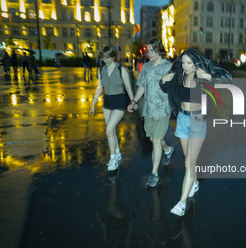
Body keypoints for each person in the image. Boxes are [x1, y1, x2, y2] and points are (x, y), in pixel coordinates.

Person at [160, 48, 232, 216]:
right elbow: (166, 90)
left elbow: (229, 80)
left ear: (196, 63)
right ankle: (195, 183)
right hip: (182, 120)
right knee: (188, 160)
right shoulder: (180, 76)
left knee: (189, 164)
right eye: (183, 63)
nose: (185, 66)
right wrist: (164, 79)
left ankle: (182, 203)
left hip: (197, 121)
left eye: (189, 63)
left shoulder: (203, 77)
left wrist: (208, 76)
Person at [127, 38, 174, 187]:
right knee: (158, 140)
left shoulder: (169, 67)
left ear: (159, 50)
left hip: (162, 109)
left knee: (155, 141)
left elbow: (177, 87)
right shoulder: (146, 67)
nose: (149, 53)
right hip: (148, 110)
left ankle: (154, 174)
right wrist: (134, 101)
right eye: (148, 51)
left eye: (152, 50)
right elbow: (141, 86)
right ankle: (168, 149)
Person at [89, 45, 135, 171]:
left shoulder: (121, 70)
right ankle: (117, 151)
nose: (106, 60)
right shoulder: (101, 71)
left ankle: (113, 158)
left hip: (119, 102)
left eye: (108, 57)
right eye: (104, 58)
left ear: (113, 56)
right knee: (112, 131)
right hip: (107, 102)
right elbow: (99, 88)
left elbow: (128, 87)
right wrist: (93, 103)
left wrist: (133, 101)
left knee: (108, 130)